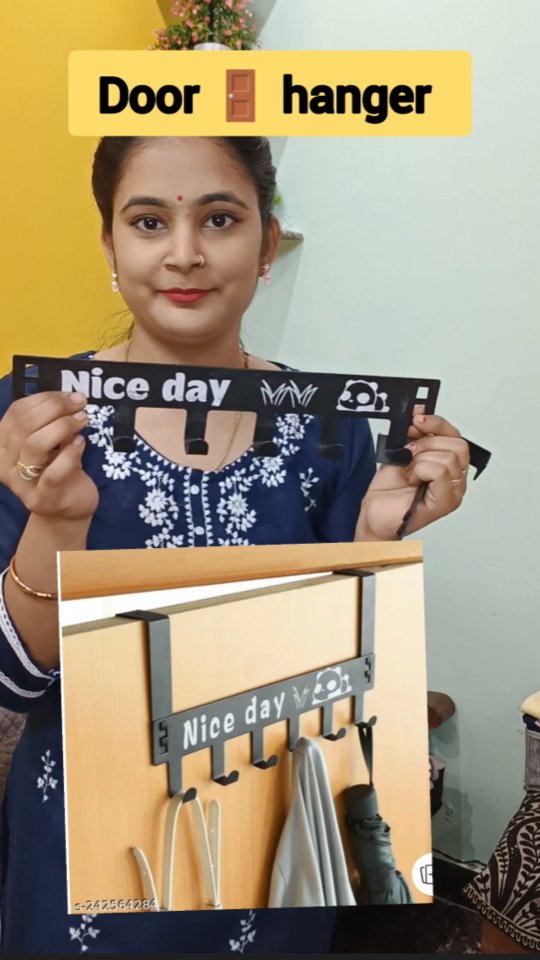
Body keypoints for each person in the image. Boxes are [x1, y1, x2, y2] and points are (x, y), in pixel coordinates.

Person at [0, 136, 470, 953]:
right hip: (86, 867)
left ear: (266, 243)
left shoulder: (329, 433)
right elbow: (14, 682)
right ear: (110, 245)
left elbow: (357, 679)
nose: (184, 253)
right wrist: (58, 523)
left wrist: (376, 539)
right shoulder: (32, 422)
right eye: (149, 221)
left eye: (219, 218)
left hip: (276, 852)